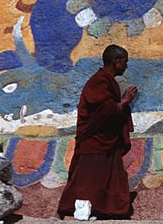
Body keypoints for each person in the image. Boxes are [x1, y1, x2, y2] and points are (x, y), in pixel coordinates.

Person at [57, 45, 137, 221]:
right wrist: (124, 101)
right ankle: (78, 207)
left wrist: (122, 102)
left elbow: (108, 108)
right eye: (125, 62)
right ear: (116, 61)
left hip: (107, 140)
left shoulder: (108, 81)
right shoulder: (98, 81)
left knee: (113, 176)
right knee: (88, 179)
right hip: (94, 140)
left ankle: (108, 209)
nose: (126, 66)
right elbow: (104, 109)